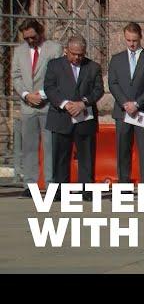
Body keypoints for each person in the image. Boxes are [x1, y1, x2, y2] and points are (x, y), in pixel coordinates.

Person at [44, 35, 104, 200]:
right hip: (61, 117)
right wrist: (64, 104)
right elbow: (49, 88)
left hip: (84, 118)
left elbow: (98, 90)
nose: (77, 57)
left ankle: (86, 190)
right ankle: (60, 191)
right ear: (66, 50)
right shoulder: (54, 65)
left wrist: (83, 103)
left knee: (86, 156)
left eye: (80, 54)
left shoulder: (93, 67)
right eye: (74, 54)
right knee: (60, 156)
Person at [11, 19, 63, 197]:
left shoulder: (54, 49)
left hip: (48, 105)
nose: (30, 41)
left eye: (33, 37)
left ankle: (50, 185)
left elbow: (58, 75)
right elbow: (16, 76)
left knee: (49, 146)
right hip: (27, 105)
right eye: (26, 38)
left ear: (40, 32)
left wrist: (42, 94)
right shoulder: (19, 52)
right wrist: (26, 95)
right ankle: (30, 185)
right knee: (29, 147)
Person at [108, 22, 144, 183]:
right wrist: (125, 103)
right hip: (123, 111)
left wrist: (136, 104)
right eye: (129, 40)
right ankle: (124, 182)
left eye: (135, 41)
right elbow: (113, 83)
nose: (131, 44)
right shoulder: (116, 59)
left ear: (140, 38)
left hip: (142, 111)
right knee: (123, 149)